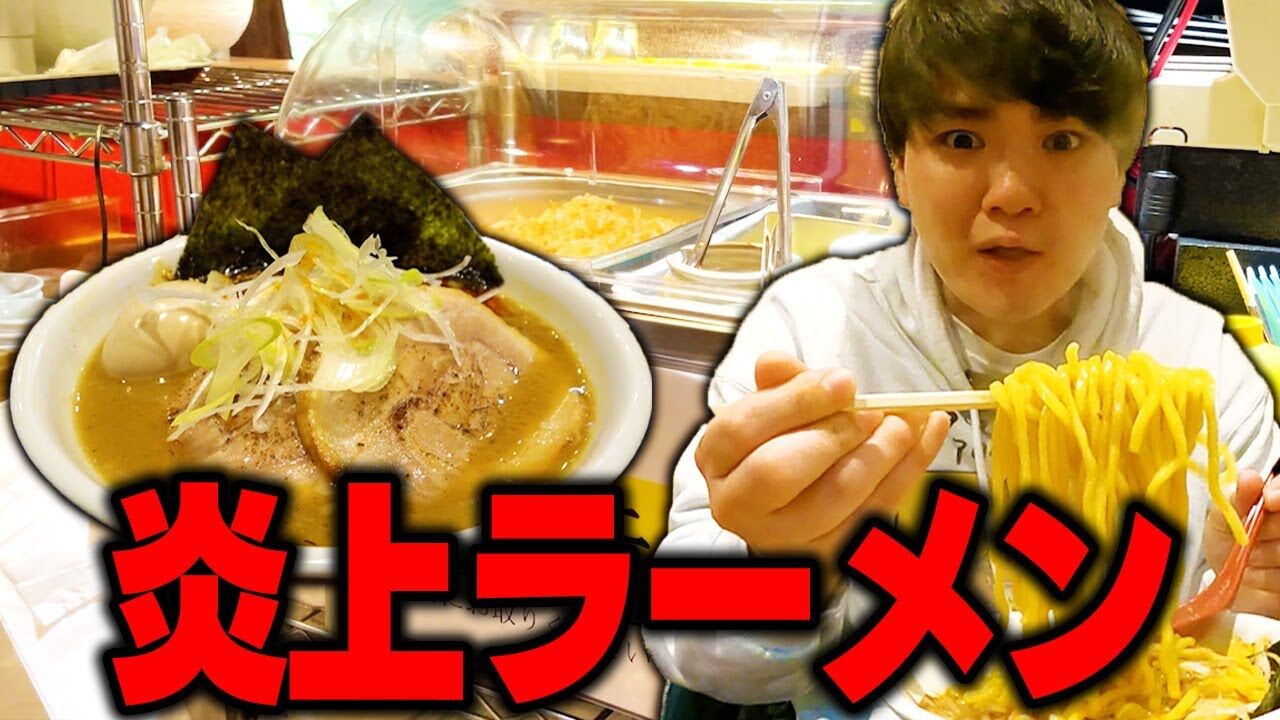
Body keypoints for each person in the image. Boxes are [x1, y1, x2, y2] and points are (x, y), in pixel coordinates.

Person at [642, 0, 1280, 715]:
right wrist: (784, 565)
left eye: (1062, 140)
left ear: (1123, 170)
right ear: (899, 168)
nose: (1011, 195)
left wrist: (1240, 582)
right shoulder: (811, 335)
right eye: (962, 139)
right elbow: (690, 648)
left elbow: (1223, 649)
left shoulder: (1203, 370)